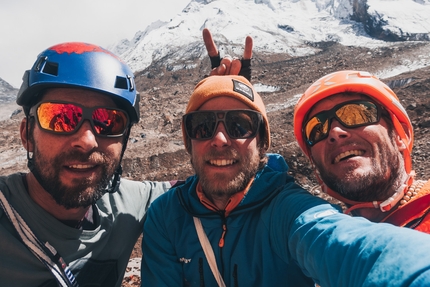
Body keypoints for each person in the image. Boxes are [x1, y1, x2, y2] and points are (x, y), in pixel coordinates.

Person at [141, 74, 430, 287]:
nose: (219, 139)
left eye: (239, 125)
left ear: (262, 144)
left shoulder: (287, 211)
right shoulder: (168, 215)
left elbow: (345, 246)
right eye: (202, 127)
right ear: (188, 142)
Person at [0, 42, 172, 287]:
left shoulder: (127, 204)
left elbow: (207, 184)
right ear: (27, 134)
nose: (87, 141)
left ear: (123, 142)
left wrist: (227, 107)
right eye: (60, 117)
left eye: (108, 122)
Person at [293, 70, 430, 230]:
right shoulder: (330, 246)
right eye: (316, 129)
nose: (335, 132)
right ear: (315, 164)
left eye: (357, 114)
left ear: (401, 135)